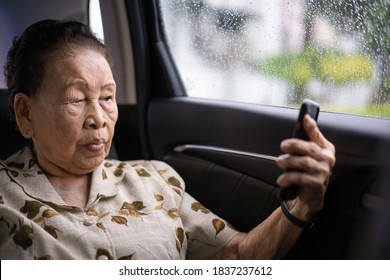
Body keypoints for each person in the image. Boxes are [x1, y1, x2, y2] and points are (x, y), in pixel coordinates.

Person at [0, 19, 335, 260]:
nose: (98, 118)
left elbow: (238, 255)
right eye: (76, 99)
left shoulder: (155, 180)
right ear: (26, 114)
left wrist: (303, 203)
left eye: (106, 97)